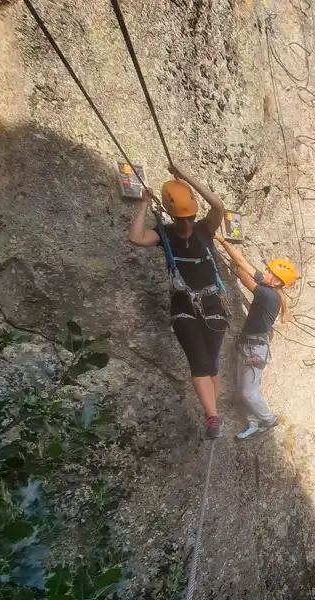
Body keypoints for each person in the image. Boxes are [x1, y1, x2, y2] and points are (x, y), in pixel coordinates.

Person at [128, 165, 228, 439]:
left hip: (212, 303)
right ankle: (212, 417)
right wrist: (145, 205)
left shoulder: (205, 228)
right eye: (181, 219)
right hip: (183, 305)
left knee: (211, 363)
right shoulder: (165, 233)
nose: (185, 224)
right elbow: (136, 237)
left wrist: (187, 178)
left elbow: (218, 205)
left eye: (189, 218)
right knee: (198, 361)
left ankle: (213, 412)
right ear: (172, 216)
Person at [214, 232, 298, 439]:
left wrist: (221, 241)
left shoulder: (268, 295)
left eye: (270, 272)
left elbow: (244, 273)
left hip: (254, 349)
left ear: (277, 282)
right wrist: (235, 262)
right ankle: (253, 423)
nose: (266, 273)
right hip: (251, 346)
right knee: (244, 387)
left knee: (248, 392)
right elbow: (243, 268)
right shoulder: (270, 289)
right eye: (268, 270)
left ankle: (268, 420)